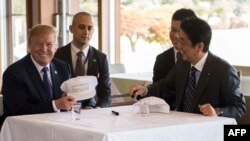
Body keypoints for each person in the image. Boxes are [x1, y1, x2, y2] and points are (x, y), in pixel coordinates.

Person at [130, 17, 246, 118]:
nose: (178, 46)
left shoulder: (223, 70)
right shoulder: (182, 63)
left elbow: (239, 107)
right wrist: (146, 90)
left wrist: (217, 111)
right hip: (179, 125)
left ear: (199, 46)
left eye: (183, 41)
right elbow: (165, 86)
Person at [1, 25, 75, 124]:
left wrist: (71, 99)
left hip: (58, 126)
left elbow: (71, 100)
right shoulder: (14, 73)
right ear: (29, 46)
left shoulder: (63, 67)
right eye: (38, 44)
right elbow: (18, 110)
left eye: (49, 44)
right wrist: (55, 105)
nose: (44, 49)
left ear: (56, 47)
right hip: (23, 130)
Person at [54, 12, 111, 108]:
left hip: (91, 110)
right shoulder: (57, 55)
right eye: (81, 27)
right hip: (63, 110)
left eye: (90, 28)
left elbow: (105, 93)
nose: (86, 32)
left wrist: (97, 109)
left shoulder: (101, 58)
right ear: (71, 28)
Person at [153, 8, 197, 83]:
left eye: (180, 31)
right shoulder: (161, 60)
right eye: (173, 30)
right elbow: (157, 91)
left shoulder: (203, 58)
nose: (176, 36)